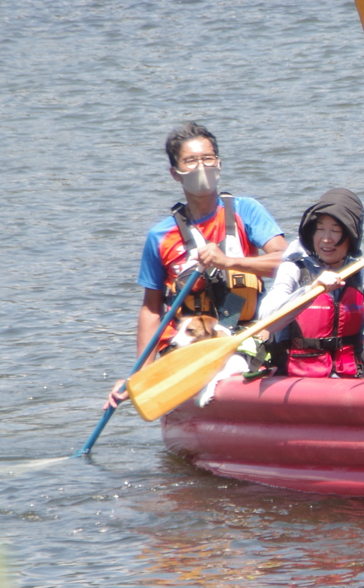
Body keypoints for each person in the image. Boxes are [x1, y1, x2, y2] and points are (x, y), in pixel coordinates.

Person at [107, 122, 286, 407]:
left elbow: (285, 262)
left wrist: (230, 261)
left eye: (208, 158)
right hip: (187, 348)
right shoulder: (160, 236)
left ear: (219, 164)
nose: (201, 167)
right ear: (175, 174)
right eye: (190, 161)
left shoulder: (246, 211)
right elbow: (151, 308)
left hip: (240, 337)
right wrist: (141, 373)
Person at [255, 189, 364, 378]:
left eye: (336, 230)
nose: (326, 238)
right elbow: (266, 318)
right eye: (320, 229)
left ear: (350, 236)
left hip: (346, 379)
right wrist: (311, 291)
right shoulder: (294, 268)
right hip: (296, 380)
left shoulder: (361, 271)